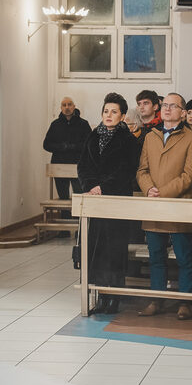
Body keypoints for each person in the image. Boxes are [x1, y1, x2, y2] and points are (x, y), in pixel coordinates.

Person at [137, 93, 192, 320]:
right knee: (156, 256)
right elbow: (142, 170)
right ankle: (156, 299)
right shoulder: (151, 137)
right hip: (154, 205)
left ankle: (184, 301)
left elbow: (191, 175)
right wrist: (149, 189)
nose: (167, 109)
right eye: (164, 105)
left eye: (173, 106)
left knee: (184, 256)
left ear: (183, 112)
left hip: (178, 205)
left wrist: (163, 192)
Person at [77, 93, 140, 314]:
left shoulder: (128, 140)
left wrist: (103, 187)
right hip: (95, 201)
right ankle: (100, 295)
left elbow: (127, 170)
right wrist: (90, 185)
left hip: (116, 199)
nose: (109, 115)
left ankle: (115, 296)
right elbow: (83, 165)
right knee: (97, 249)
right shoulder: (93, 136)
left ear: (122, 116)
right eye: (106, 111)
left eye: (114, 112)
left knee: (114, 249)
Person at [43, 97, 92, 217]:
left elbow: (89, 144)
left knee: (79, 196)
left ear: (74, 106)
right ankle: (64, 223)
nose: (67, 107)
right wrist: (62, 147)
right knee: (63, 197)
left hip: (78, 165)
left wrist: (73, 147)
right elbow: (46, 144)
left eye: (69, 104)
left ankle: (78, 224)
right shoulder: (55, 125)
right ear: (61, 108)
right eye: (64, 105)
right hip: (59, 165)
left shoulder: (83, 124)